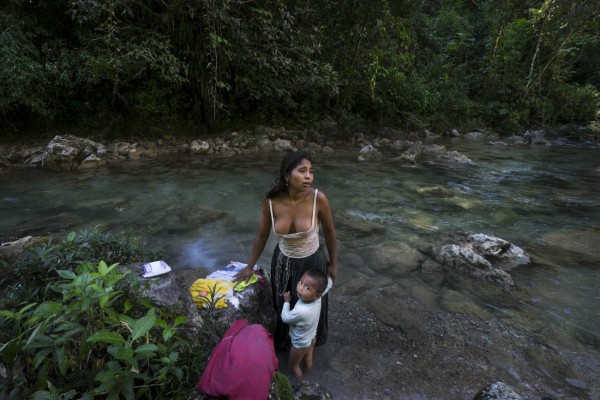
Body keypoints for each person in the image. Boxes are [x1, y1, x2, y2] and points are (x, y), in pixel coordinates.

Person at [234, 150, 337, 350]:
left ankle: (308, 345)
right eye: (302, 171)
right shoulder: (271, 202)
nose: (308, 176)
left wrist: (333, 262)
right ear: (287, 175)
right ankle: (286, 344)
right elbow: (261, 236)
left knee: (311, 306)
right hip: (283, 263)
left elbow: (331, 233)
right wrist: (250, 267)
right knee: (284, 304)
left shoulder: (319, 198)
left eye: (311, 171)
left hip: (312, 262)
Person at [281, 269, 332, 378]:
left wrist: (286, 301)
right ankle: (308, 374)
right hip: (312, 338)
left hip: (300, 344)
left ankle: (300, 383)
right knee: (308, 359)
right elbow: (329, 285)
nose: (300, 287)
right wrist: (329, 276)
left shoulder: (301, 311)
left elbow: (285, 318)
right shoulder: (318, 299)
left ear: (317, 295)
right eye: (300, 282)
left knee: (293, 365)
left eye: (307, 288)